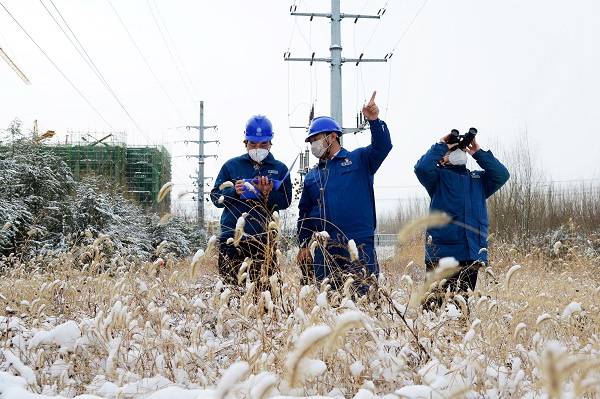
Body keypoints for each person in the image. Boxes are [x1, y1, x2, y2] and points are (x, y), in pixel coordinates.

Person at [296, 91, 392, 293]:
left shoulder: (359, 160)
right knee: (329, 304)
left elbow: (383, 146)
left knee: (363, 299)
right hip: (324, 250)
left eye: (316, 138)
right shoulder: (313, 176)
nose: (313, 144)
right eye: (310, 140)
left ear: (333, 136)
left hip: (359, 245)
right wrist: (304, 244)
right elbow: (304, 214)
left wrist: (374, 120)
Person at [414, 130, 510, 304]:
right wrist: (442, 146)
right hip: (441, 255)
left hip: (470, 253)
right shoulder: (437, 178)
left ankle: (460, 332)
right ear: (443, 157)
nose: (459, 152)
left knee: (461, 309)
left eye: (461, 149)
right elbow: (421, 168)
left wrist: (477, 153)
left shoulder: (478, 180)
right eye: (454, 150)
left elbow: (502, 175)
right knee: (433, 308)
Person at [210, 115, 293, 288]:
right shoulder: (231, 166)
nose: (258, 148)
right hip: (232, 240)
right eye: (253, 144)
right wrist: (235, 191)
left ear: (270, 143)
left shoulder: (280, 169)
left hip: (264, 241)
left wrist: (267, 194)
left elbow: (285, 201)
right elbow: (215, 197)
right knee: (231, 293)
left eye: (263, 144)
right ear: (245, 142)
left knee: (265, 295)